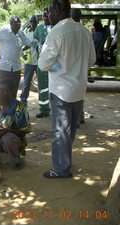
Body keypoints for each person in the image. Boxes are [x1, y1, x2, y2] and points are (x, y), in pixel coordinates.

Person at [38, 0, 96, 178]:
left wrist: (60, 67)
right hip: (79, 89)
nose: (48, 14)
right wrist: (73, 66)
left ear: (57, 10)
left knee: (61, 130)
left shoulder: (57, 32)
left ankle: (61, 169)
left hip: (61, 90)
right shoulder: (83, 31)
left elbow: (42, 64)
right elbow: (91, 60)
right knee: (70, 129)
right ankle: (64, 160)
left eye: (49, 10)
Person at [0, 78, 31, 170]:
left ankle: (15, 162)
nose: (0, 93)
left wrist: (8, 130)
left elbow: (24, 131)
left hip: (13, 142)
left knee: (8, 137)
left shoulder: (19, 107)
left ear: (12, 92)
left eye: (4, 91)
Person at [0, 16, 32, 99]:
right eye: (15, 24)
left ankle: (12, 110)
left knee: (13, 91)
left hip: (16, 68)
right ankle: (2, 110)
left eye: (19, 24)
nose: (18, 26)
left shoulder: (21, 34)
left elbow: (29, 44)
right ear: (11, 24)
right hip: (4, 68)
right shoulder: (3, 32)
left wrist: (22, 50)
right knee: (2, 91)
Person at [33, 8, 51, 118]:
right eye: (43, 14)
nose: (44, 16)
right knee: (42, 86)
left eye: (47, 14)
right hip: (42, 63)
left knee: (55, 87)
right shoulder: (39, 28)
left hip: (55, 64)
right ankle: (44, 109)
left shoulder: (56, 28)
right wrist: (38, 45)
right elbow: (33, 40)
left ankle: (56, 109)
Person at [71, 8, 85, 125]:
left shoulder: (68, 31)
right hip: (81, 69)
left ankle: (76, 119)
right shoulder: (85, 32)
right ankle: (80, 117)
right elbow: (92, 58)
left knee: (73, 96)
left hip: (72, 69)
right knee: (79, 95)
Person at [20, 15, 38, 106]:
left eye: (34, 21)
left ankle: (45, 105)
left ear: (37, 22)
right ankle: (23, 102)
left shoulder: (40, 32)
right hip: (30, 62)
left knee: (43, 85)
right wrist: (22, 50)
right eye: (31, 21)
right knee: (26, 83)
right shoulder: (30, 33)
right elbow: (29, 44)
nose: (33, 23)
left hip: (39, 62)